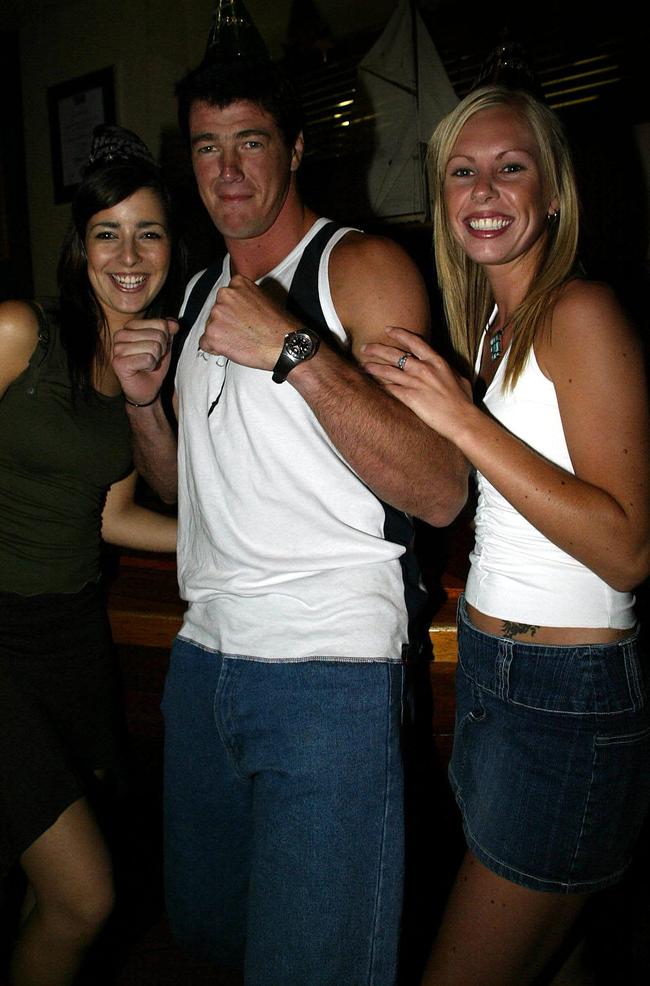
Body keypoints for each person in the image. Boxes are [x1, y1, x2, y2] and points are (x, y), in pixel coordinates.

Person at [111, 55, 468, 986]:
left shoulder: (359, 267)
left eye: (251, 143)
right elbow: (185, 495)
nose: (227, 171)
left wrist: (296, 350)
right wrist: (147, 405)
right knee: (211, 940)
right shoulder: (193, 297)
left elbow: (439, 488)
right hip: (204, 670)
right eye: (206, 148)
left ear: (297, 147)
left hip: (327, 677)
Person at [362, 84, 650, 986]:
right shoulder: (488, 327)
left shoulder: (580, 312)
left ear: (552, 192)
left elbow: (629, 547)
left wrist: (460, 415)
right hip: (496, 673)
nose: (484, 190)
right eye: (463, 171)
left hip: (565, 700)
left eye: (510, 168)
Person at [0, 124, 182, 986]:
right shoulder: (18, 332)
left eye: (148, 230)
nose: (129, 252)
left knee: (45, 896)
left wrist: (237, 536)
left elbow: (112, 518)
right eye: (108, 231)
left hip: (71, 643)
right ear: (81, 248)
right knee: (85, 897)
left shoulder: (139, 367)